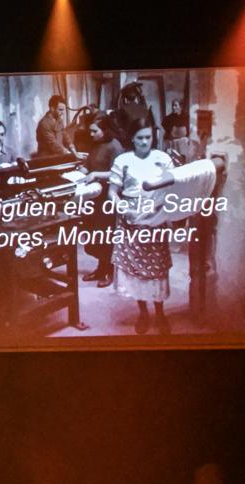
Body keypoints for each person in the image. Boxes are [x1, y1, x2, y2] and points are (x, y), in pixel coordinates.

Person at [109, 122, 176, 334]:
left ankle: (160, 312)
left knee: (156, 268)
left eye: (148, 137)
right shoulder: (123, 161)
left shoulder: (162, 159)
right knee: (136, 268)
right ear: (132, 139)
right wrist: (122, 208)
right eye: (140, 138)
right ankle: (143, 313)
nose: (145, 142)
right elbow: (112, 192)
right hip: (131, 219)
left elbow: (173, 188)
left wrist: (165, 210)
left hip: (155, 218)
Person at [80, 115, 124, 286]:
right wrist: (81, 171)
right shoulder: (95, 144)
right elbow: (89, 164)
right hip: (94, 195)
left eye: (94, 131)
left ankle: (109, 271)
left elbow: (118, 173)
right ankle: (100, 269)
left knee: (107, 235)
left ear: (105, 130)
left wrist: (95, 174)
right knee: (96, 234)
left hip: (109, 195)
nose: (91, 134)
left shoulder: (115, 146)